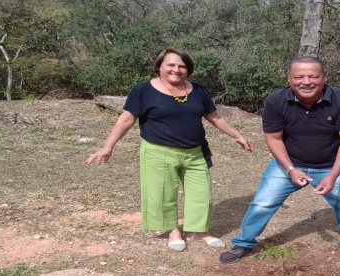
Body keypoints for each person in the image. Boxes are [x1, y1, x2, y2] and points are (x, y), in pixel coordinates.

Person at [218, 56, 340, 268]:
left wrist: (333, 175)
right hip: (288, 164)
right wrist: (290, 169)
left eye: (314, 76)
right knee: (262, 203)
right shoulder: (276, 100)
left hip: (332, 165)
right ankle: (244, 243)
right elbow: (274, 138)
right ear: (289, 79)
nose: (306, 81)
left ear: (325, 77)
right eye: (299, 77)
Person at [86, 48, 253, 252]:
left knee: (201, 193)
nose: (177, 69)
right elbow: (127, 119)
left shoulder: (199, 90)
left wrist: (238, 136)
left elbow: (214, 117)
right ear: (159, 67)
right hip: (158, 151)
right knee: (163, 193)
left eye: (182, 66)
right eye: (171, 65)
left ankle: (200, 232)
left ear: (188, 69)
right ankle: (173, 231)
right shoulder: (143, 91)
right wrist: (107, 146)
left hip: (195, 152)